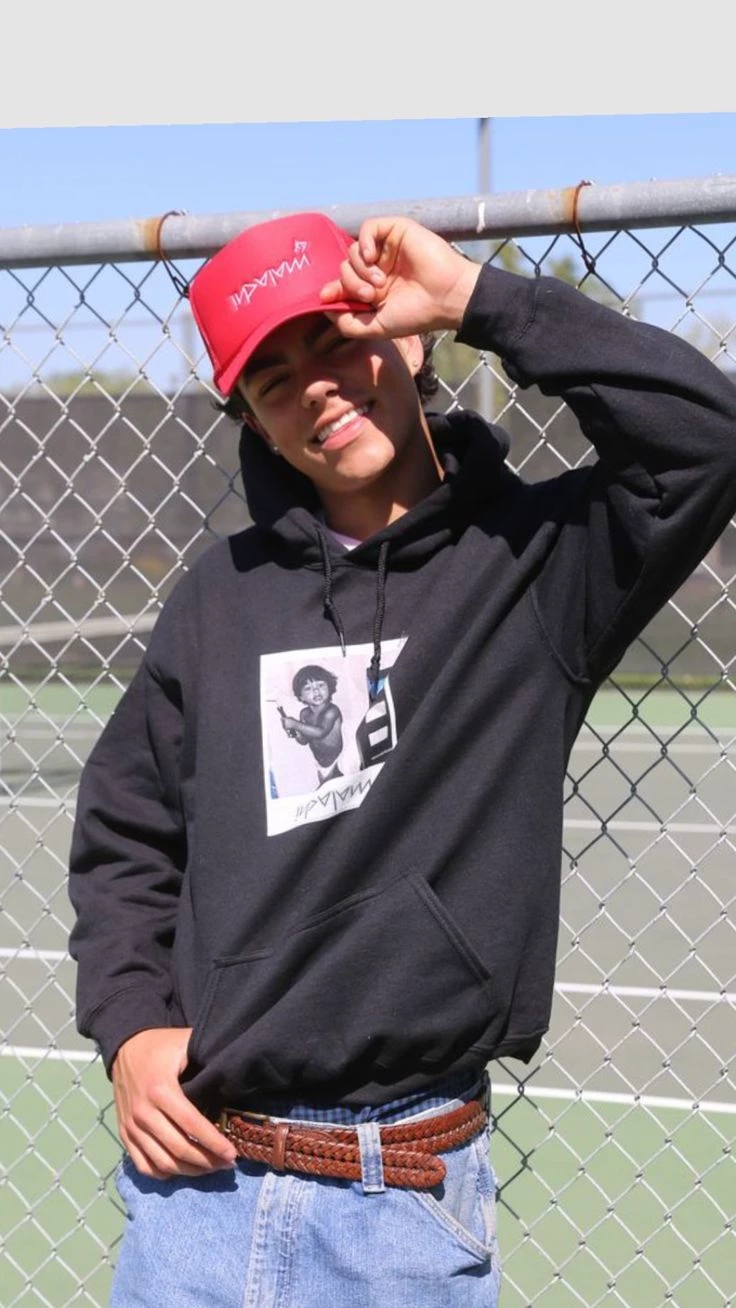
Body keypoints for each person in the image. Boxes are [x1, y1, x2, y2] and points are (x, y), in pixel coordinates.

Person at [67, 208, 736, 1307]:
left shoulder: (538, 563)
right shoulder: (216, 599)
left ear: (406, 339)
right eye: (274, 379)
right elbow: (125, 836)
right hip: (196, 1197)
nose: (317, 389)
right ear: (253, 420)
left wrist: (479, 298)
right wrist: (132, 1025)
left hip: (399, 1209)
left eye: (335, 341)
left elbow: (706, 435)